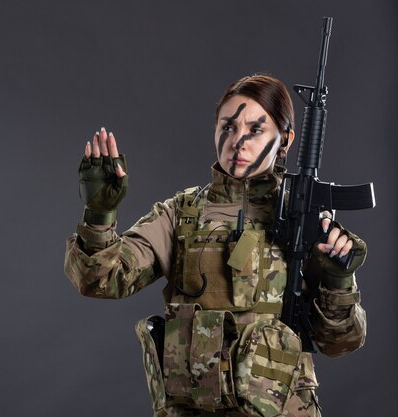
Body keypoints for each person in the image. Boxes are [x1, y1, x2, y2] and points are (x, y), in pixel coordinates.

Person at [64, 74, 367, 417]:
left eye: (256, 130)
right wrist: (99, 215)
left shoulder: (307, 219)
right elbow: (99, 280)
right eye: (228, 127)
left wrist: (339, 280)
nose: (238, 141)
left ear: (285, 140)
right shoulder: (181, 214)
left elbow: (342, 342)